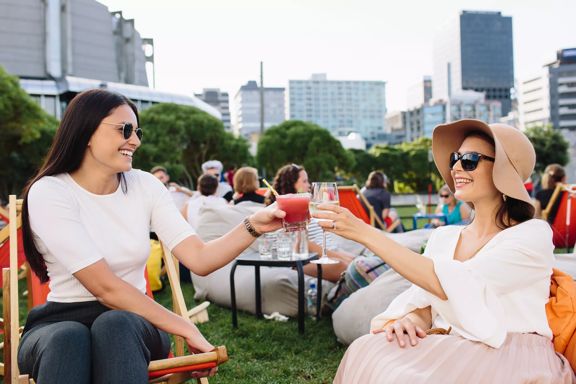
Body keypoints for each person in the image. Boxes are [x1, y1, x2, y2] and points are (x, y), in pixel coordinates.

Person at [18, 89, 284, 384]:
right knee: (68, 339)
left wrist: (253, 225)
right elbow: (105, 288)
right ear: (86, 132)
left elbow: (200, 258)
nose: (135, 140)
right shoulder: (50, 191)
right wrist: (185, 327)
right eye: (125, 130)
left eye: (137, 131)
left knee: (115, 324)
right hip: (60, 320)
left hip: (133, 323)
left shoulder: (145, 186)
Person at [313, 120, 573, 383]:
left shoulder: (532, 235)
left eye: (470, 159)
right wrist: (411, 319)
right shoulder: (444, 236)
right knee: (365, 349)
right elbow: (426, 300)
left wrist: (364, 232)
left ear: (503, 173)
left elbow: (457, 282)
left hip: (511, 352)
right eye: (455, 158)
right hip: (452, 343)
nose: (456, 168)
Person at [267, 164, 354, 282]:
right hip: (306, 258)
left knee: (358, 264)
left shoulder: (307, 206)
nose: (308, 185)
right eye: (304, 181)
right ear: (291, 183)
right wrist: (338, 256)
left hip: (326, 253)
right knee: (348, 268)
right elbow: (301, 243)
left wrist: (343, 255)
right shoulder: (284, 209)